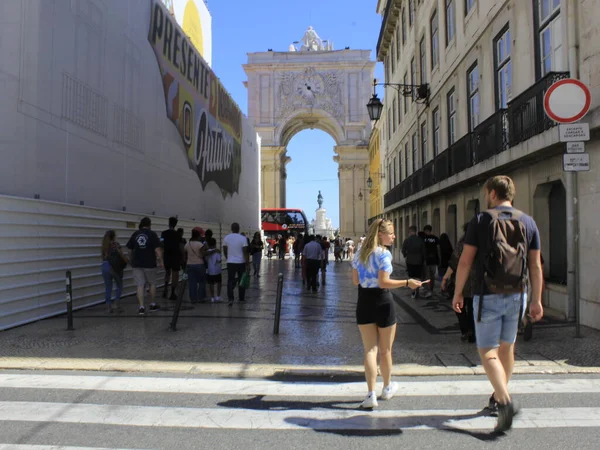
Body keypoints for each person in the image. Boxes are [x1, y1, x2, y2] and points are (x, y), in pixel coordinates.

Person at [452, 175, 544, 432]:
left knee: (487, 351)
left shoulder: (481, 220)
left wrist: (458, 292)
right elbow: (536, 265)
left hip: (486, 293)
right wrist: (536, 299)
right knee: (507, 348)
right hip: (518, 292)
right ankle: (497, 395)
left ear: (493, 194)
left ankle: (504, 401)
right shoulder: (528, 222)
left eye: (486, 193)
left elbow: (465, 261)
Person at [351, 219, 426, 408]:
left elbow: (355, 281)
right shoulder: (384, 254)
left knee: (369, 350)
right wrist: (407, 282)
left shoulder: (360, 252)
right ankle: (386, 387)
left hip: (364, 301)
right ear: (380, 234)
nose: (394, 236)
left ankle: (370, 394)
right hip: (383, 301)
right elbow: (384, 282)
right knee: (385, 350)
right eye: (391, 233)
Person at [442, 224, 475, 342]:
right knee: (473, 308)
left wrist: (445, 277)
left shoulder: (462, 245)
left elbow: (454, 262)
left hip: (462, 281)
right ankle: (473, 333)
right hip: (477, 282)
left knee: (458, 307)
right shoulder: (483, 244)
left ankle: (466, 329)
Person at [126, 217, 163, 315]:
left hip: (137, 264)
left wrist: (131, 259)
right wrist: (161, 261)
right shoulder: (152, 234)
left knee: (140, 285)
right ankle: (152, 304)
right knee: (152, 283)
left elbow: (129, 250)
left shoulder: (135, 234)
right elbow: (157, 250)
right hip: (149, 263)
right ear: (149, 224)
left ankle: (141, 307)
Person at [223, 222, 250, 306]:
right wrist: (247, 263)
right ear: (238, 229)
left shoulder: (226, 238)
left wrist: (228, 258)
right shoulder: (243, 238)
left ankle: (230, 298)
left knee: (230, 280)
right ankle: (241, 298)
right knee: (241, 280)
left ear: (231, 228)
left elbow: (224, 250)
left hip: (230, 262)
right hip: (240, 262)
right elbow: (245, 251)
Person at [101, 230, 127, 314]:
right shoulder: (116, 244)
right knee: (119, 285)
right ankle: (116, 304)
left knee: (108, 286)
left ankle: (108, 307)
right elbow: (121, 255)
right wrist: (127, 261)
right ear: (114, 236)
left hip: (105, 266)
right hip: (114, 267)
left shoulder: (104, 246)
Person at [401, 226, 426, 299]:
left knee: (411, 277)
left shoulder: (407, 240)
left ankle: (413, 290)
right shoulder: (420, 240)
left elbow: (403, 250)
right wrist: (423, 259)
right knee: (418, 276)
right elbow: (423, 251)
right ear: (415, 231)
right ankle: (417, 290)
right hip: (419, 261)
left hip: (410, 260)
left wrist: (406, 255)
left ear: (409, 231)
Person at [161, 217, 182, 301]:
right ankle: (173, 293)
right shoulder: (178, 235)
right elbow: (181, 246)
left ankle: (165, 289)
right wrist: (183, 256)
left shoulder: (164, 233)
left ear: (168, 223)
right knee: (175, 274)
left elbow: (161, 243)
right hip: (176, 256)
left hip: (167, 255)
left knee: (167, 273)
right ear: (175, 224)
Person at [184, 227, 207, 303]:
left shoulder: (188, 244)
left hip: (190, 265)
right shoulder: (200, 244)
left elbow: (185, 254)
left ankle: (193, 299)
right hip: (199, 265)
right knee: (201, 282)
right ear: (198, 236)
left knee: (192, 283)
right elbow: (203, 254)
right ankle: (200, 297)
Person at [422, 225, 441, 298]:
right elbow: (438, 249)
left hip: (426, 260)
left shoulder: (423, 238)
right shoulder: (435, 238)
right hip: (434, 260)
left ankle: (429, 290)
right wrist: (439, 259)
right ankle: (431, 290)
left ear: (425, 230)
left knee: (427, 276)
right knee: (432, 276)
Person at [205, 237, 222, 303]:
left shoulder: (207, 252)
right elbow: (219, 260)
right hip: (217, 270)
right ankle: (218, 296)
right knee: (219, 283)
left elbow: (206, 259)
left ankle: (212, 297)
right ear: (215, 244)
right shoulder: (217, 251)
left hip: (210, 270)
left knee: (211, 284)